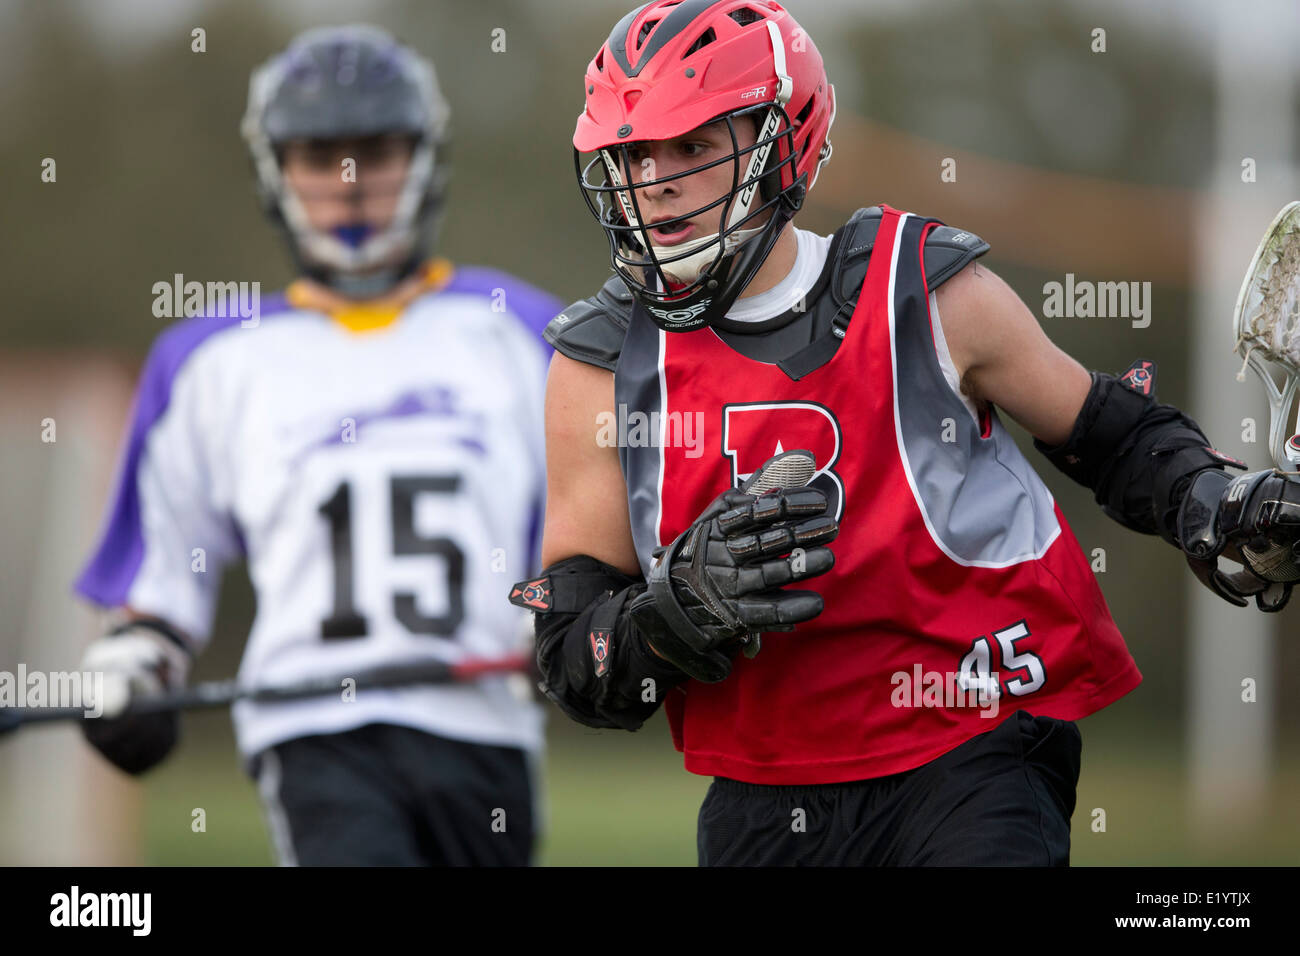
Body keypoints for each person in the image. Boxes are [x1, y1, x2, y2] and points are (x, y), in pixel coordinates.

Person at [515, 0, 1300, 866]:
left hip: (970, 750)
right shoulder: (598, 364)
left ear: (782, 143)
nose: (656, 180)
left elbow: (1107, 433)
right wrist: (672, 612)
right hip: (766, 790)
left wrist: (1219, 503)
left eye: (694, 146)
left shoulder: (920, 289)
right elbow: (577, 663)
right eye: (633, 154)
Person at [76, 25, 560, 866]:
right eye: (316, 154)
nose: (348, 183)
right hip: (315, 730)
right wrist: (134, 667)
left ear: (422, 157)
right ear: (275, 170)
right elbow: (162, 582)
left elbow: (590, 531)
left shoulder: (525, 332)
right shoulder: (210, 362)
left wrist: (577, 617)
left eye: (373, 151)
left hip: (485, 726)